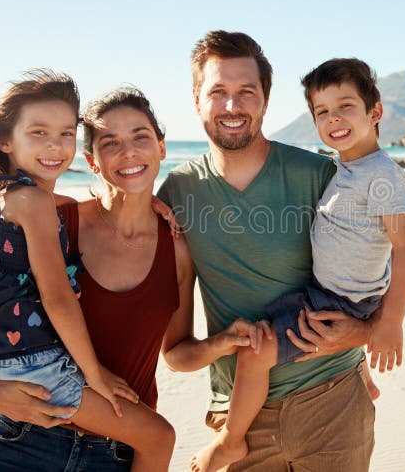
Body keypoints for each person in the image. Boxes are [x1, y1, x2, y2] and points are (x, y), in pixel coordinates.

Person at [0, 84, 212, 471]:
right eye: (110, 143)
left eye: (140, 137)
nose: (129, 152)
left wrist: (230, 344)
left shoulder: (178, 247)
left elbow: (176, 352)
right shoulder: (57, 220)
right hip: (19, 439)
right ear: (91, 161)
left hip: (115, 452)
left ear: (162, 148)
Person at [158, 31, 385, 471]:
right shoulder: (175, 195)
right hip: (238, 419)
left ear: (265, 99)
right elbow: (177, 349)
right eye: (218, 91)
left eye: (247, 92)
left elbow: (383, 269)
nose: (232, 105)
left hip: (333, 398)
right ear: (196, 99)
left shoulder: (320, 175)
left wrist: (361, 333)